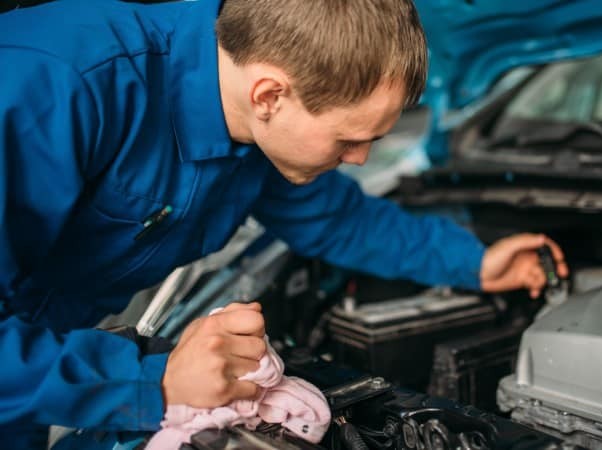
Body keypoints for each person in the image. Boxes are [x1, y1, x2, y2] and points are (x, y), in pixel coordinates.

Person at [0, 0, 568, 448]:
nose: (361, 159)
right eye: (350, 139)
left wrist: (474, 262)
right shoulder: (51, 86)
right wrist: (148, 381)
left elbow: (338, 217)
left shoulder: (255, 121)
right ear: (269, 94)